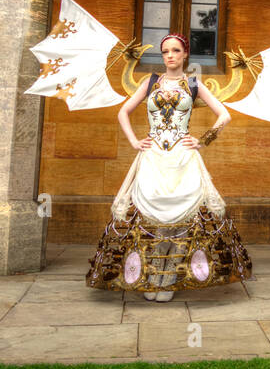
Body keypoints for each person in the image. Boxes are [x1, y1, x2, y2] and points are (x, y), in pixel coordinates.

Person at [86, 33, 252, 301]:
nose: (170, 55)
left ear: (185, 54)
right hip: (153, 156)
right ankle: (152, 277)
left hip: (183, 157)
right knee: (153, 216)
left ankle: (170, 278)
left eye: (176, 50)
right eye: (165, 51)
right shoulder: (150, 82)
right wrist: (134, 141)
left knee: (179, 217)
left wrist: (203, 140)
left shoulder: (194, 83)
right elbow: (122, 112)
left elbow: (225, 115)